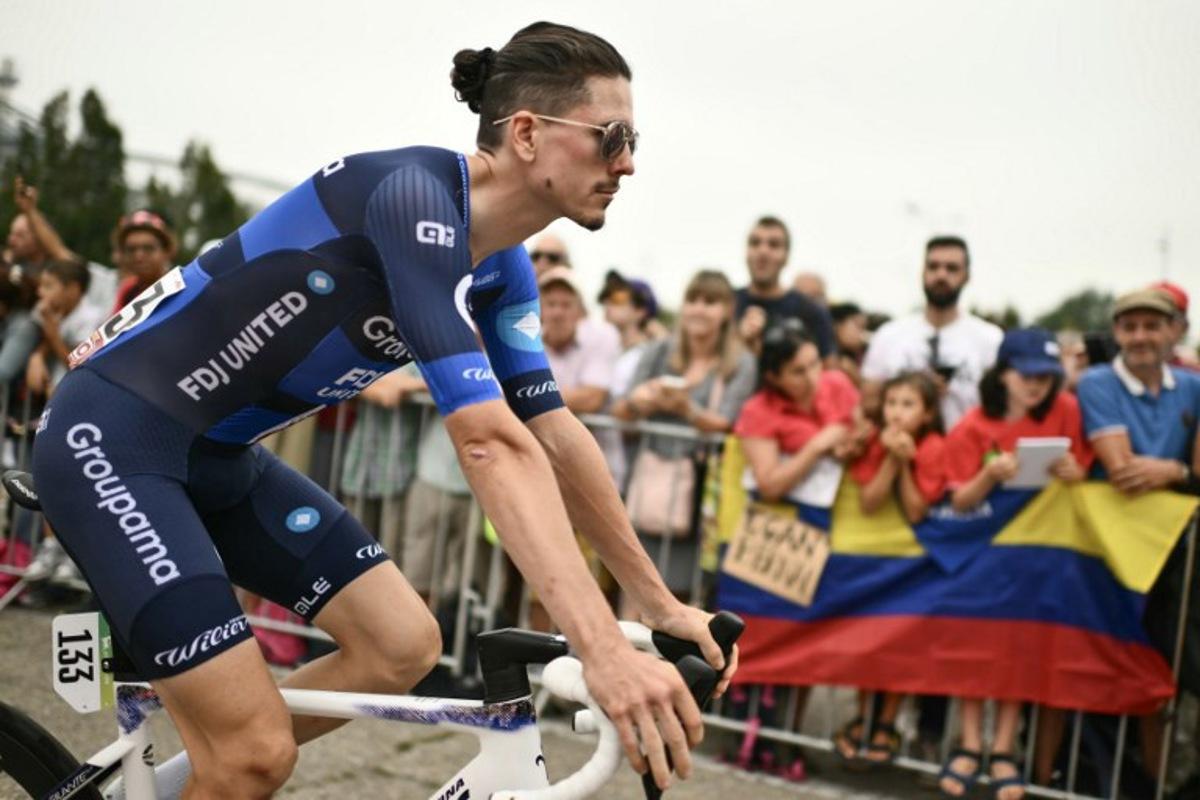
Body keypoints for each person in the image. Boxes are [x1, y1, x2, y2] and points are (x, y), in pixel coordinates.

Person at [37, 23, 731, 798]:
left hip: (217, 462)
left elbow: (554, 436)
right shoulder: (411, 198)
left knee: (401, 645)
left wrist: (658, 603)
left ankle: (186, 774)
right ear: (528, 134)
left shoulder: (502, 268)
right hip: (116, 443)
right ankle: (230, 755)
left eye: (633, 139)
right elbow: (488, 444)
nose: (628, 161)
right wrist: (597, 647)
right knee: (257, 756)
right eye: (612, 136)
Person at [939, 327, 1091, 800]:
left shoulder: (1066, 410)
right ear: (1003, 373)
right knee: (975, 647)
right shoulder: (972, 425)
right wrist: (988, 475)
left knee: (1020, 648)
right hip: (982, 559)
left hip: (1036, 561)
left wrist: (1074, 473)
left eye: (1045, 377)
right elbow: (958, 501)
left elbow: (1084, 471)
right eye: (1026, 375)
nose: (1036, 386)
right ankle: (968, 743)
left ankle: (1003, 749)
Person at [614, 270, 756, 593]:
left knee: (684, 596)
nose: (699, 309)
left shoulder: (741, 363)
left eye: (710, 302)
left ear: (727, 310)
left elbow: (729, 423)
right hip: (647, 487)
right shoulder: (658, 351)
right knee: (635, 588)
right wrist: (644, 401)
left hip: (703, 498)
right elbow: (620, 411)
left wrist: (685, 409)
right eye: (693, 300)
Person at [860, 235, 1003, 428]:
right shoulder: (889, 336)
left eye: (951, 268)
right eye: (933, 267)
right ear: (922, 272)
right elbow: (868, 405)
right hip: (902, 451)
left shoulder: (990, 340)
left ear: (966, 276)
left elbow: (1002, 408)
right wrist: (915, 389)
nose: (941, 275)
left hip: (967, 451)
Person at [8, 177, 118, 312]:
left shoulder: (103, 280)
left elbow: (59, 251)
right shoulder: (10, 263)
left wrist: (30, 211)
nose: (11, 240)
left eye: (20, 235)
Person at [734, 216, 835, 359]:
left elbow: (828, 369)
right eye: (755, 243)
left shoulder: (811, 312)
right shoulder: (724, 306)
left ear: (786, 256)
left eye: (774, 245)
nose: (763, 251)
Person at [539, 265, 620, 414]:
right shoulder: (524, 341)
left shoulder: (603, 334)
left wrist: (525, 400)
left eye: (566, 305)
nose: (557, 313)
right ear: (540, 309)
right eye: (551, 304)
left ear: (580, 310)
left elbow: (591, 399)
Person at [109, 209, 176, 311]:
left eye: (148, 248)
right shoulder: (127, 291)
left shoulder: (178, 287)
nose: (139, 257)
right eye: (131, 250)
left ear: (166, 252)